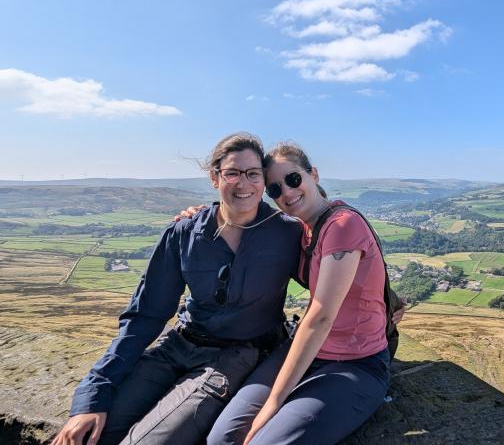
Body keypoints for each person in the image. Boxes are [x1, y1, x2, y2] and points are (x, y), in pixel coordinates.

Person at [51, 132, 303, 445]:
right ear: (215, 177)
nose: (244, 184)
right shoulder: (185, 231)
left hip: (234, 357)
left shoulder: (288, 234)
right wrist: (93, 395)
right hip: (177, 346)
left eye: (253, 174)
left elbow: (332, 285)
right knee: (91, 433)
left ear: (264, 181)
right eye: (232, 173)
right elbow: (145, 314)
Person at [206, 142, 394, 445]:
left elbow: (320, 318)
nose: (287, 193)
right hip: (307, 353)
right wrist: (197, 216)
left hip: (356, 364)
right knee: (223, 439)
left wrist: (273, 402)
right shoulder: (303, 228)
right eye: (275, 189)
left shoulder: (342, 224)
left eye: (293, 179)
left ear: (313, 175)